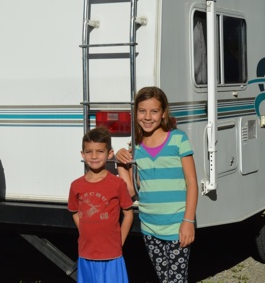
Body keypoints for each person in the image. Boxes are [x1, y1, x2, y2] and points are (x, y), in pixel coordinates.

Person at [116, 86, 199, 283]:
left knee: (176, 281)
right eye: (142, 111)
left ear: (163, 114)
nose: (147, 117)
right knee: (164, 278)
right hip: (150, 228)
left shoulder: (178, 139)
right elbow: (131, 191)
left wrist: (188, 222)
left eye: (154, 111)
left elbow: (192, 182)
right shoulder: (135, 148)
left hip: (177, 227)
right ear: (135, 113)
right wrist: (120, 164)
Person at [68, 127, 134, 283]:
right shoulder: (76, 185)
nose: (94, 156)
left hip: (112, 256)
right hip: (86, 254)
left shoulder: (117, 184)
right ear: (82, 154)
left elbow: (128, 214)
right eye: (89, 151)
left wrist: (120, 241)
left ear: (110, 153)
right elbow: (74, 211)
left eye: (100, 151)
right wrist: (84, 230)